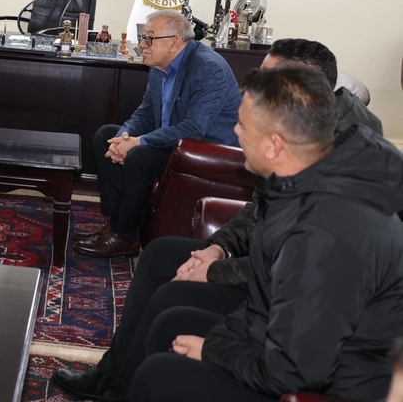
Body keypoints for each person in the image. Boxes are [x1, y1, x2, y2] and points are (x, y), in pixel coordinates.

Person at [53, 37, 385, 401]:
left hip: (294, 309)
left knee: (172, 301)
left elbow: (296, 271)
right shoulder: (298, 125)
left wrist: (215, 271)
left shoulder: (345, 162)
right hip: (268, 274)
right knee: (159, 255)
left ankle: (124, 390)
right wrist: (217, 248)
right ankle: (111, 376)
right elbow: (258, 208)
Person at [129, 67, 403, 401]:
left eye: (243, 125)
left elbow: (297, 370)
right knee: (169, 326)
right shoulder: (299, 188)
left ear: (274, 145)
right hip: (286, 344)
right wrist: (219, 341)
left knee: (157, 376)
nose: (235, 131)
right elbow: (263, 303)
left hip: (330, 386)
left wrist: (213, 351)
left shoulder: (328, 229)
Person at [73, 10, 240, 258]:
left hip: (207, 151)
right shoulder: (158, 65)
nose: (143, 44)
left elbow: (194, 129)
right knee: (105, 137)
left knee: (139, 156)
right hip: (176, 142)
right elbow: (145, 113)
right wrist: (124, 138)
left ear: (175, 42)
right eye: (144, 37)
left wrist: (138, 142)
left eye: (149, 38)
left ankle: (124, 236)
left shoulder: (208, 68)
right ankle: (116, 227)